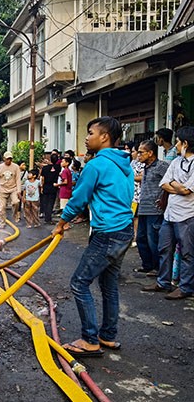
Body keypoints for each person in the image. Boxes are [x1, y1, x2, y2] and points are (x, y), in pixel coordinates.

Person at [53, 117, 134, 358]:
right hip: (124, 230)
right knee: (109, 285)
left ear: (105, 137)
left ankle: (90, 339)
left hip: (107, 233)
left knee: (79, 283)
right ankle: (107, 335)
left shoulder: (96, 165)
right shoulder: (124, 164)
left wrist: (61, 222)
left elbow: (79, 198)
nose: (87, 138)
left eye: (90, 133)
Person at [142, 126, 194, 300]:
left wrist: (177, 186)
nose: (176, 145)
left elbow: (187, 191)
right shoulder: (175, 162)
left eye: (178, 142)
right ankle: (163, 282)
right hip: (170, 214)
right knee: (164, 248)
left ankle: (185, 286)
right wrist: (179, 186)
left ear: (185, 143)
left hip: (187, 214)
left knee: (187, 252)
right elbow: (164, 183)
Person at [133, 140, 169, 276]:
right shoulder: (146, 168)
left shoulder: (162, 166)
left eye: (141, 152)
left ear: (150, 153)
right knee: (141, 238)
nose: (138, 155)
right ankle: (147, 265)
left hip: (155, 210)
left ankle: (158, 268)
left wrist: (163, 199)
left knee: (153, 239)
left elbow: (169, 183)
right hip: (143, 207)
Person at [0, 151, 21, 227]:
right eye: (7, 159)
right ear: (4, 159)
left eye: (10, 159)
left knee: (16, 202)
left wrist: (19, 191)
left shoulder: (16, 167)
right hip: (3, 190)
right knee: (2, 207)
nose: (9, 160)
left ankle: (15, 214)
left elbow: (18, 179)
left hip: (13, 189)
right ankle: (2, 223)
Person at [40, 152, 61, 223]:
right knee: (51, 202)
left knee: (45, 202)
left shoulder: (45, 168)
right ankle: (48, 218)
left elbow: (42, 178)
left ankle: (46, 217)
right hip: (53, 186)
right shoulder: (58, 168)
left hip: (46, 186)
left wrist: (42, 187)